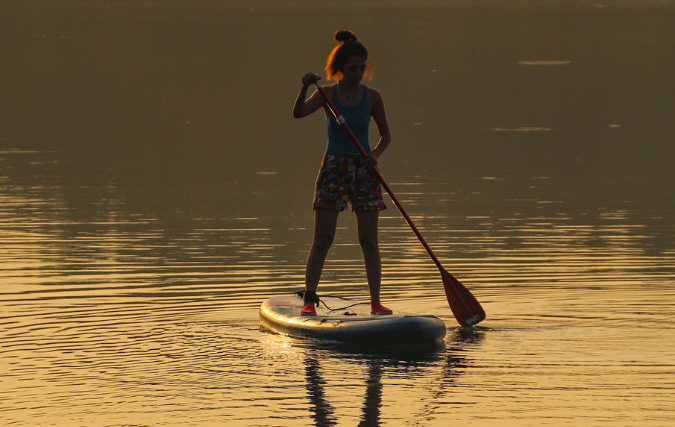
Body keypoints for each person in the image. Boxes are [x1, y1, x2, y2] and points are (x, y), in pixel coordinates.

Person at [292, 30, 393, 316]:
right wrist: (304, 87)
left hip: (364, 169)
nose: (358, 73)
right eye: (352, 68)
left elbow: (386, 136)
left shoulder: (372, 97)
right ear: (340, 68)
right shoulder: (326, 94)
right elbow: (298, 113)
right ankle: (309, 301)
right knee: (323, 239)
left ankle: (376, 303)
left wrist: (374, 155)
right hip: (333, 170)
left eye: (362, 68)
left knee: (369, 241)